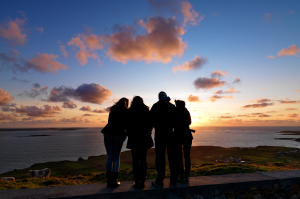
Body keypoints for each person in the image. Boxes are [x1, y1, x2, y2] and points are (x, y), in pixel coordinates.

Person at [150, 91, 177, 188]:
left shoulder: (155, 106)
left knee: (160, 158)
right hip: (171, 134)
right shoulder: (172, 106)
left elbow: (151, 120)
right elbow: (176, 121)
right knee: (172, 158)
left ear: (159, 97)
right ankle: (173, 181)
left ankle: (160, 181)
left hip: (160, 135)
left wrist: (157, 126)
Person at [126, 96, 153, 189]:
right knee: (143, 160)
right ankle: (143, 181)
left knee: (135, 161)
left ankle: (136, 181)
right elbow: (150, 125)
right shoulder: (146, 111)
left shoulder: (130, 112)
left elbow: (127, 125)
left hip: (134, 139)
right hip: (144, 139)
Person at [101, 97, 129, 188]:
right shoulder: (125, 111)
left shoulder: (112, 109)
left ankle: (109, 181)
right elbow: (126, 125)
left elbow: (109, 122)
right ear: (126, 104)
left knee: (109, 157)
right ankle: (115, 180)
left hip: (108, 134)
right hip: (118, 135)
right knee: (116, 157)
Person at [174, 100, 192, 183]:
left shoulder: (176, 111)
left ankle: (181, 176)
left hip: (178, 136)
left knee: (179, 156)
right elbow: (189, 122)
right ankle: (187, 177)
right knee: (187, 156)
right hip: (187, 135)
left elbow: (173, 123)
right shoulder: (186, 111)